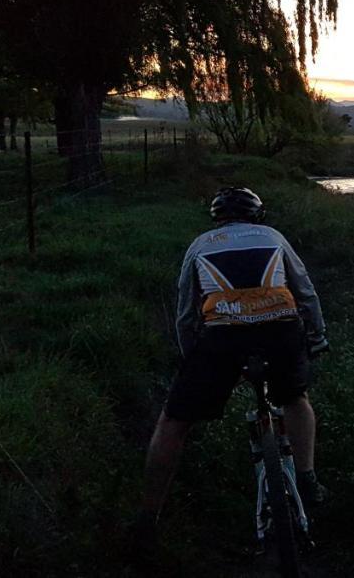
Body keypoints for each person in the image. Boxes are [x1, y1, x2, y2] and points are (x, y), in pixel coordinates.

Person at [134, 187, 330, 552]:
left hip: (222, 338)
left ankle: (148, 516)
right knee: (296, 398)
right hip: (280, 330)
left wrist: (192, 356)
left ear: (217, 219)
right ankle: (307, 479)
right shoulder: (273, 236)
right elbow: (305, 291)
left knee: (174, 421)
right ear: (258, 215)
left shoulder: (200, 244)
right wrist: (317, 337)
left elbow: (186, 312)